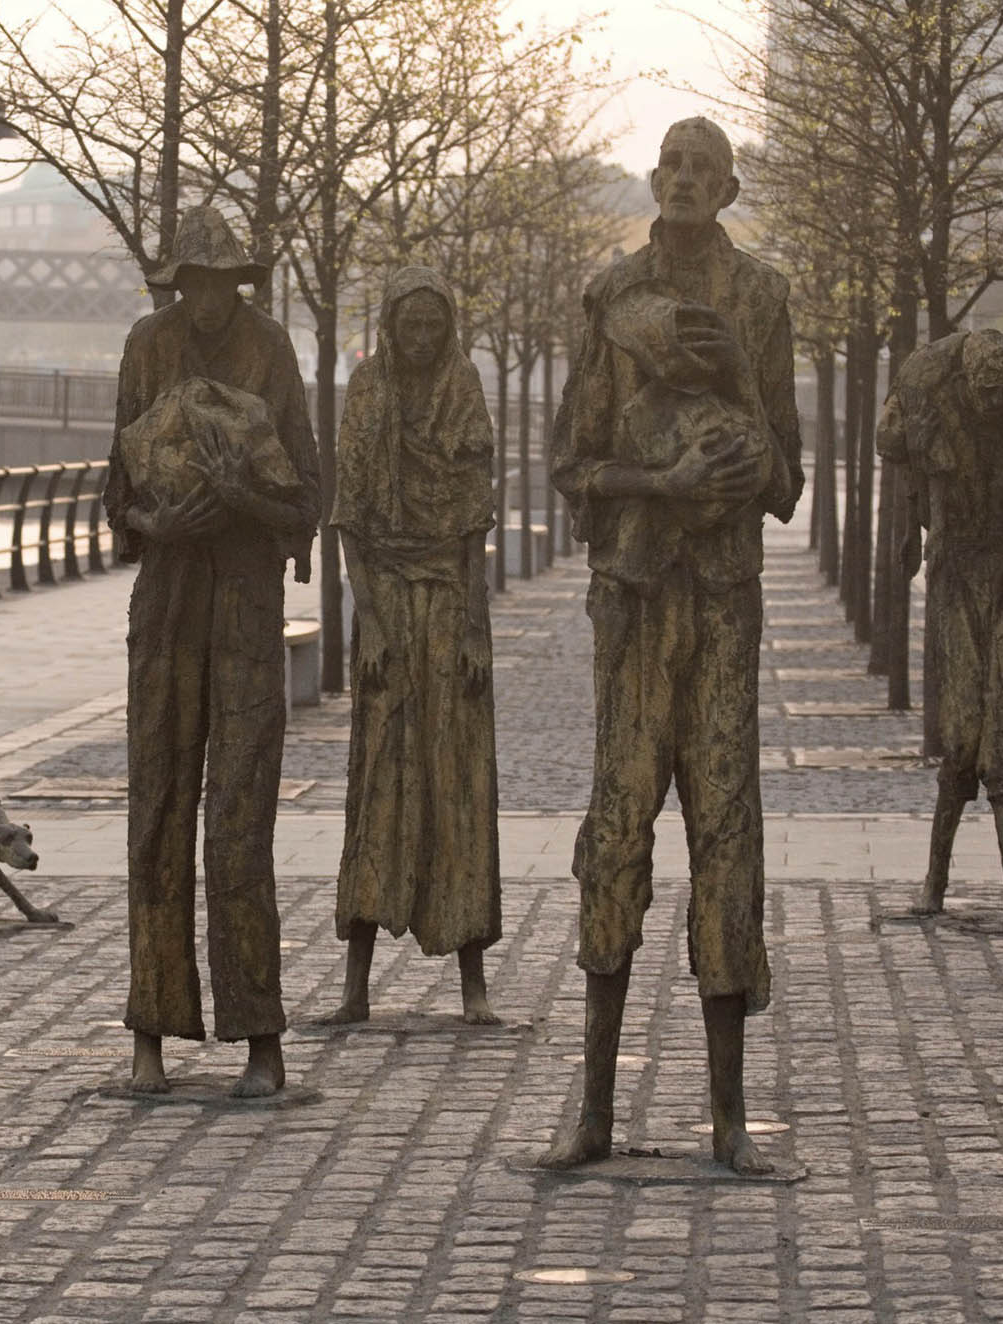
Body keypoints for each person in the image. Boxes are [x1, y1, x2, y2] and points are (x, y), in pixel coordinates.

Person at [545, 117, 803, 1176]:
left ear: (729, 188)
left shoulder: (762, 297)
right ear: (655, 180)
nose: (687, 180)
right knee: (614, 830)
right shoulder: (610, 296)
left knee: (728, 835)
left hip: (725, 603)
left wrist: (738, 394)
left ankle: (729, 1119)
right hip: (635, 602)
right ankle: (593, 1111)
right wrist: (662, 483)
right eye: (673, 167)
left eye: (706, 170)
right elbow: (571, 464)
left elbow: (787, 479)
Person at [104, 205, 321, 1097]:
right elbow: (116, 491)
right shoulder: (146, 345)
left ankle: (261, 1038)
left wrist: (244, 499)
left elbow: (306, 497)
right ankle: (150, 1035)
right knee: (157, 815)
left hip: (244, 609)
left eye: (218, 283)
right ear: (176, 283)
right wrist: (157, 522)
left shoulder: (270, 348)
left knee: (239, 823)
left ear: (237, 283)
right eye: (190, 282)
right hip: (166, 609)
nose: (204, 298)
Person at [324, 265, 501, 1026]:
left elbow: (472, 530)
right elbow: (350, 521)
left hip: (448, 604)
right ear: (391, 326)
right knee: (378, 781)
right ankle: (355, 986)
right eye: (410, 324)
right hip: (387, 607)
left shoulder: (463, 388)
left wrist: (474, 629)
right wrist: (368, 619)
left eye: (434, 324)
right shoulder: (368, 391)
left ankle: (473, 983)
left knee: (458, 781)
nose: (422, 338)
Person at [879, 329, 1003, 930]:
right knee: (961, 728)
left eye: (999, 395)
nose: (990, 403)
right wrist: (912, 537)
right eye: (983, 393)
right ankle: (934, 884)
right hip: (958, 573)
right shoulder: (933, 404)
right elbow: (913, 472)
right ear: (965, 384)